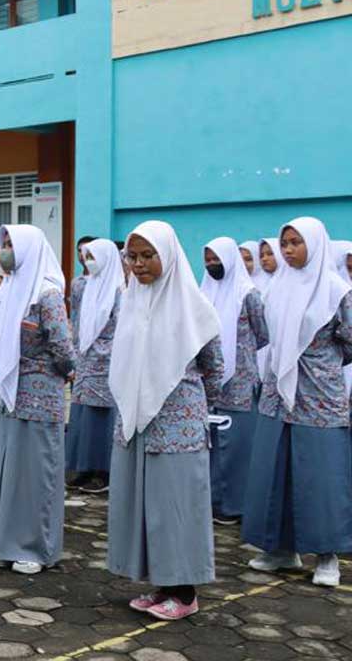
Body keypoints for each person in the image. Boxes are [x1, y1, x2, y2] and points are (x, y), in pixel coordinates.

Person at [107, 220, 223, 621]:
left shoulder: (194, 307)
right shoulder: (131, 301)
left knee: (176, 507)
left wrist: (190, 407)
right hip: (138, 423)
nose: (138, 264)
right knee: (149, 508)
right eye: (132, 257)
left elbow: (214, 368)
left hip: (177, 427)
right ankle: (163, 584)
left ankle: (185, 593)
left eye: (148, 255)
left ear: (169, 255)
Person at [244, 217, 351, 588]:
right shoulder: (277, 287)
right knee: (276, 472)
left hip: (318, 398)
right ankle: (281, 549)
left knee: (321, 477)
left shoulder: (337, 290)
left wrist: (318, 363)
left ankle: (327, 555)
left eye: (296, 242)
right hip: (278, 396)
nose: (288, 250)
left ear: (316, 244)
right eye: (285, 243)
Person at [0, 224, 73, 576]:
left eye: (11, 244)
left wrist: (63, 371)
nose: (5, 250)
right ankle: (5, 543)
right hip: (9, 395)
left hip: (39, 397)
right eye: (3, 243)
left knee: (36, 472)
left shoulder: (47, 294)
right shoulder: (9, 289)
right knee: (10, 470)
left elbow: (63, 348)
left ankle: (34, 548)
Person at [200, 237, 268, 525]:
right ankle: (210, 501)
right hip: (210, 382)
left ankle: (234, 506)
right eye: (207, 259)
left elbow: (263, 333)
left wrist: (239, 356)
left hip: (239, 384)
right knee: (211, 445)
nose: (212, 264)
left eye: (217, 258)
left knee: (237, 447)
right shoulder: (203, 292)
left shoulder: (248, 294)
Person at [65, 238, 124, 494]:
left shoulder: (119, 291)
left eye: (93, 257)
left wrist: (101, 352)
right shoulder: (88, 287)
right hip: (85, 361)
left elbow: (122, 331)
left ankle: (104, 472)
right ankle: (85, 467)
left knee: (103, 419)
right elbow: (79, 323)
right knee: (83, 418)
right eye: (86, 257)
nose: (89, 262)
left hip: (107, 364)